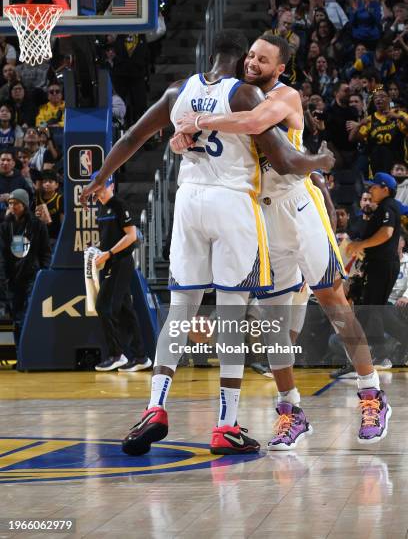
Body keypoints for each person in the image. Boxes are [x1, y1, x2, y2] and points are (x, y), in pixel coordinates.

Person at [80, 29, 334, 456]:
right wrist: (321, 161)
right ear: (239, 63)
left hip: (188, 204)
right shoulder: (245, 97)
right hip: (232, 204)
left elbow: (130, 139)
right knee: (232, 314)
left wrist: (100, 178)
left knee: (180, 311)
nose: (254, 67)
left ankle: (154, 407)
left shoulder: (178, 91)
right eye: (250, 60)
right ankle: (225, 425)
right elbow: (287, 160)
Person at [175, 33, 391, 448]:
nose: (253, 63)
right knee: (274, 325)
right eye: (251, 56)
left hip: (298, 206)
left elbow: (256, 123)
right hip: (259, 214)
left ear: (280, 69)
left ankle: (371, 393)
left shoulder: (285, 96)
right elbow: (193, 142)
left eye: (263, 60)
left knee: (333, 301)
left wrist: (197, 122)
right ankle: (290, 409)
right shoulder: (229, 95)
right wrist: (179, 137)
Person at [91, 174, 151, 373]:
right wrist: (97, 251)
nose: (99, 190)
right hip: (109, 262)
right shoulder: (100, 208)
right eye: (96, 187)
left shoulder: (118, 204)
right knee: (126, 310)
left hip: (120, 262)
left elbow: (131, 236)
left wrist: (108, 254)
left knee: (104, 306)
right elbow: (109, 237)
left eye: (102, 187)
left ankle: (117, 354)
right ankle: (141, 357)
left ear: (112, 186)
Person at [347, 173, 401, 366]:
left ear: (385, 188)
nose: (370, 190)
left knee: (375, 309)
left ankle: (381, 354)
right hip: (377, 265)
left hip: (384, 265)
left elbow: (386, 233)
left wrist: (361, 245)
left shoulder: (389, 206)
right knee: (372, 308)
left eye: (374, 187)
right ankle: (378, 353)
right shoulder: (381, 209)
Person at [0, 189, 51, 357]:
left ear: (24, 205)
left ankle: (30, 353)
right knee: (16, 319)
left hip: (32, 277)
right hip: (12, 279)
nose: (12, 206)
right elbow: (2, 255)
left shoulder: (37, 225)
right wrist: (4, 278)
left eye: (16, 203)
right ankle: (19, 353)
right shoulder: (5, 226)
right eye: (10, 203)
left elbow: (45, 252)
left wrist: (44, 273)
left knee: (28, 317)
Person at [0, 149, 33, 222]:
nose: (5, 163)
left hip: (16, 220)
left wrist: (11, 198)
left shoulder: (20, 179)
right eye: (2, 160)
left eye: (8, 160)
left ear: (13, 163)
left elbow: (29, 199)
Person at [35, 170, 64, 245]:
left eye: (50, 182)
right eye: (44, 182)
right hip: (39, 236)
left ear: (56, 185)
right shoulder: (37, 197)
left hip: (54, 237)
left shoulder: (60, 198)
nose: (47, 184)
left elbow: (63, 221)